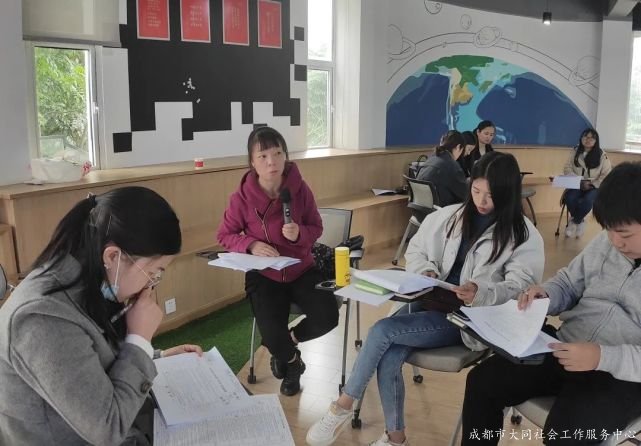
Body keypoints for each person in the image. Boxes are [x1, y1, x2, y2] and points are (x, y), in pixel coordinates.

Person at [306, 152, 544, 446]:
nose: (481, 201)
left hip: (470, 318)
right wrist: (426, 270)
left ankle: (342, 406)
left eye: (491, 195)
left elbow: (520, 288)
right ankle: (396, 438)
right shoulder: (449, 216)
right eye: (476, 190)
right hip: (431, 299)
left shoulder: (524, 235)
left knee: (381, 330)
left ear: (508, 192)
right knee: (389, 353)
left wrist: (480, 292)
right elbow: (416, 249)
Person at [0, 186, 203, 445]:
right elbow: (108, 429)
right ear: (113, 256)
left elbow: (89, 361)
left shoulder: (83, 279)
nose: (151, 284)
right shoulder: (42, 319)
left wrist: (156, 358)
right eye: (153, 272)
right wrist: (140, 341)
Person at [461, 162, 641, 446]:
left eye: (625, 234)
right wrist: (546, 295)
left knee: (566, 434)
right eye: (609, 231)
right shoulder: (606, 243)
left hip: (622, 375)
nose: (615, 242)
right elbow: (569, 282)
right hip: (566, 347)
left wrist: (601, 357)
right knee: (483, 381)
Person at [217, 126, 339, 396]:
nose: (271, 162)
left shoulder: (300, 190)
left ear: (285, 156)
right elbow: (224, 235)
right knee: (272, 333)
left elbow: (316, 227)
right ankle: (293, 364)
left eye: (277, 153)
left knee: (328, 317)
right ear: (252, 162)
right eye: (263, 156)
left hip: (301, 268)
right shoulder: (240, 198)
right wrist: (251, 244)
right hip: (264, 275)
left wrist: (300, 234)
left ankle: (289, 343)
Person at [562, 128, 612, 238]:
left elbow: (606, 175)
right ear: (581, 138)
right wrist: (578, 180)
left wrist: (592, 184)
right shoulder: (575, 151)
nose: (588, 140)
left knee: (588, 200)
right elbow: (567, 167)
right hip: (577, 183)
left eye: (592, 138)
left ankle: (574, 222)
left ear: (596, 141)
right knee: (570, 197)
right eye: (585, 136)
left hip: (594, 185)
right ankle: (580, 221)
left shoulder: (602, 155)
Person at [417, 130, 468, 207]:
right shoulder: (451, 165)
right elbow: (465, 195)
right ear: (458, 147)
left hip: (422, 209)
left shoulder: (430, 160)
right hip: (441, 211)